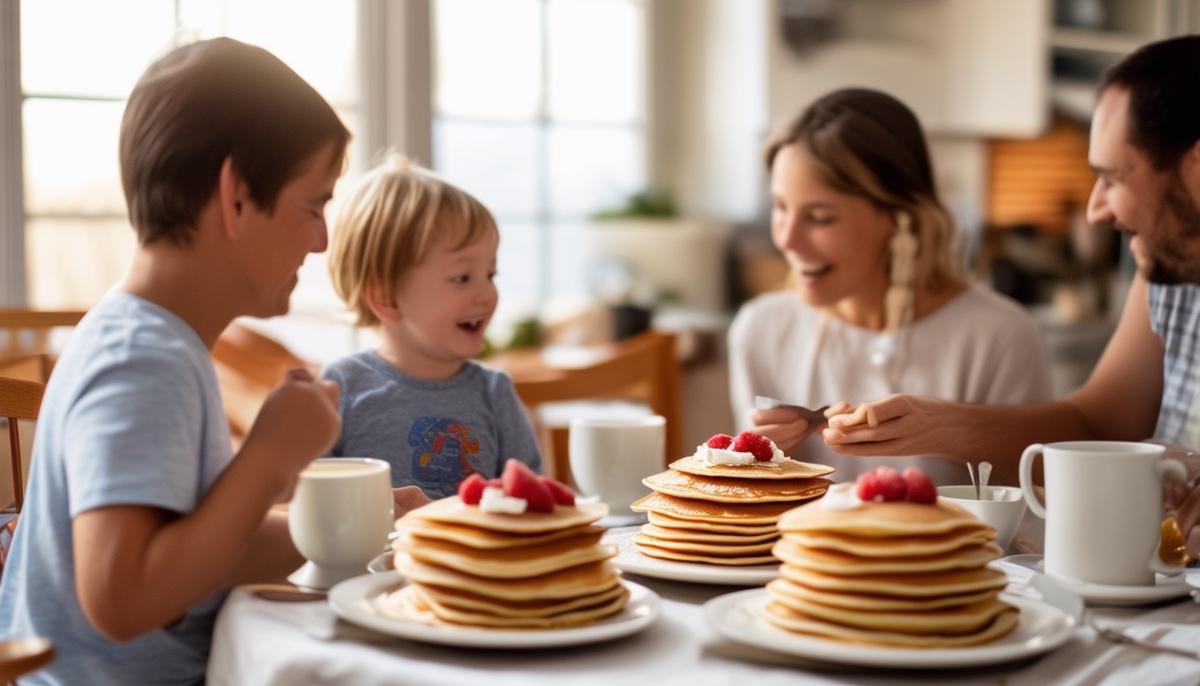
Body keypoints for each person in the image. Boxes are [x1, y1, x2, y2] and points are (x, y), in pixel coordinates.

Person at [0, 38, 355, 685]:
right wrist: (271, 455)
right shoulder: (141, 358)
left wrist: (370, 525)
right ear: (237, 194)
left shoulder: (156, 342)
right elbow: (123, 596)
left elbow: (204, 550)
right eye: (314, 204)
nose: (322, 238)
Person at [822, 36, 1200, 509]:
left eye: (1113, 178)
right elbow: (1097, 427)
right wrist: (940, 426)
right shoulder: (1168, 274)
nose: (1095, 211)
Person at [728, 88, 1052, 485]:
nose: (787, 241)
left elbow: (1032, 492)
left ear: (899, 217)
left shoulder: (1000, 335)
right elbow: (748, 512)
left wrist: (956, 433)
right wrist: (760, 466)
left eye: (820, 217)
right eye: (780, 208)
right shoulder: (760, 329)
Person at [321, 156, 542, 499]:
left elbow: (530, 502)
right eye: (462, 277)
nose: (487, 293)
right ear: (387, 299)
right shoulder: (342, 388)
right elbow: (316, 505)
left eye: (491, 275)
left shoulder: (495, 393)